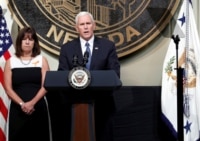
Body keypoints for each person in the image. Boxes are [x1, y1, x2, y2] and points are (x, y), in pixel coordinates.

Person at [54, 11, 120, 141]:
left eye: (88, 23)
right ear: (76, 28)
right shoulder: (67, 49)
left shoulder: (108, 46)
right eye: (82, 24)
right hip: (74, 104)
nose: (85, 27)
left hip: (102, 105)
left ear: (94, 25)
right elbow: (62, 74)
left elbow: (115, 74)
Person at [3, 26, 52, 141]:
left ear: (34, 42)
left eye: (30, 39)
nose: (27, 42)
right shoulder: (11, 61)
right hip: (17, 108)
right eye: (24, 39)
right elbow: (8, 88)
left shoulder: (42, 60)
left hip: (38, 106)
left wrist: (32, 103)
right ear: (19, 41)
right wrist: (22, 104)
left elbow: (46, 85)